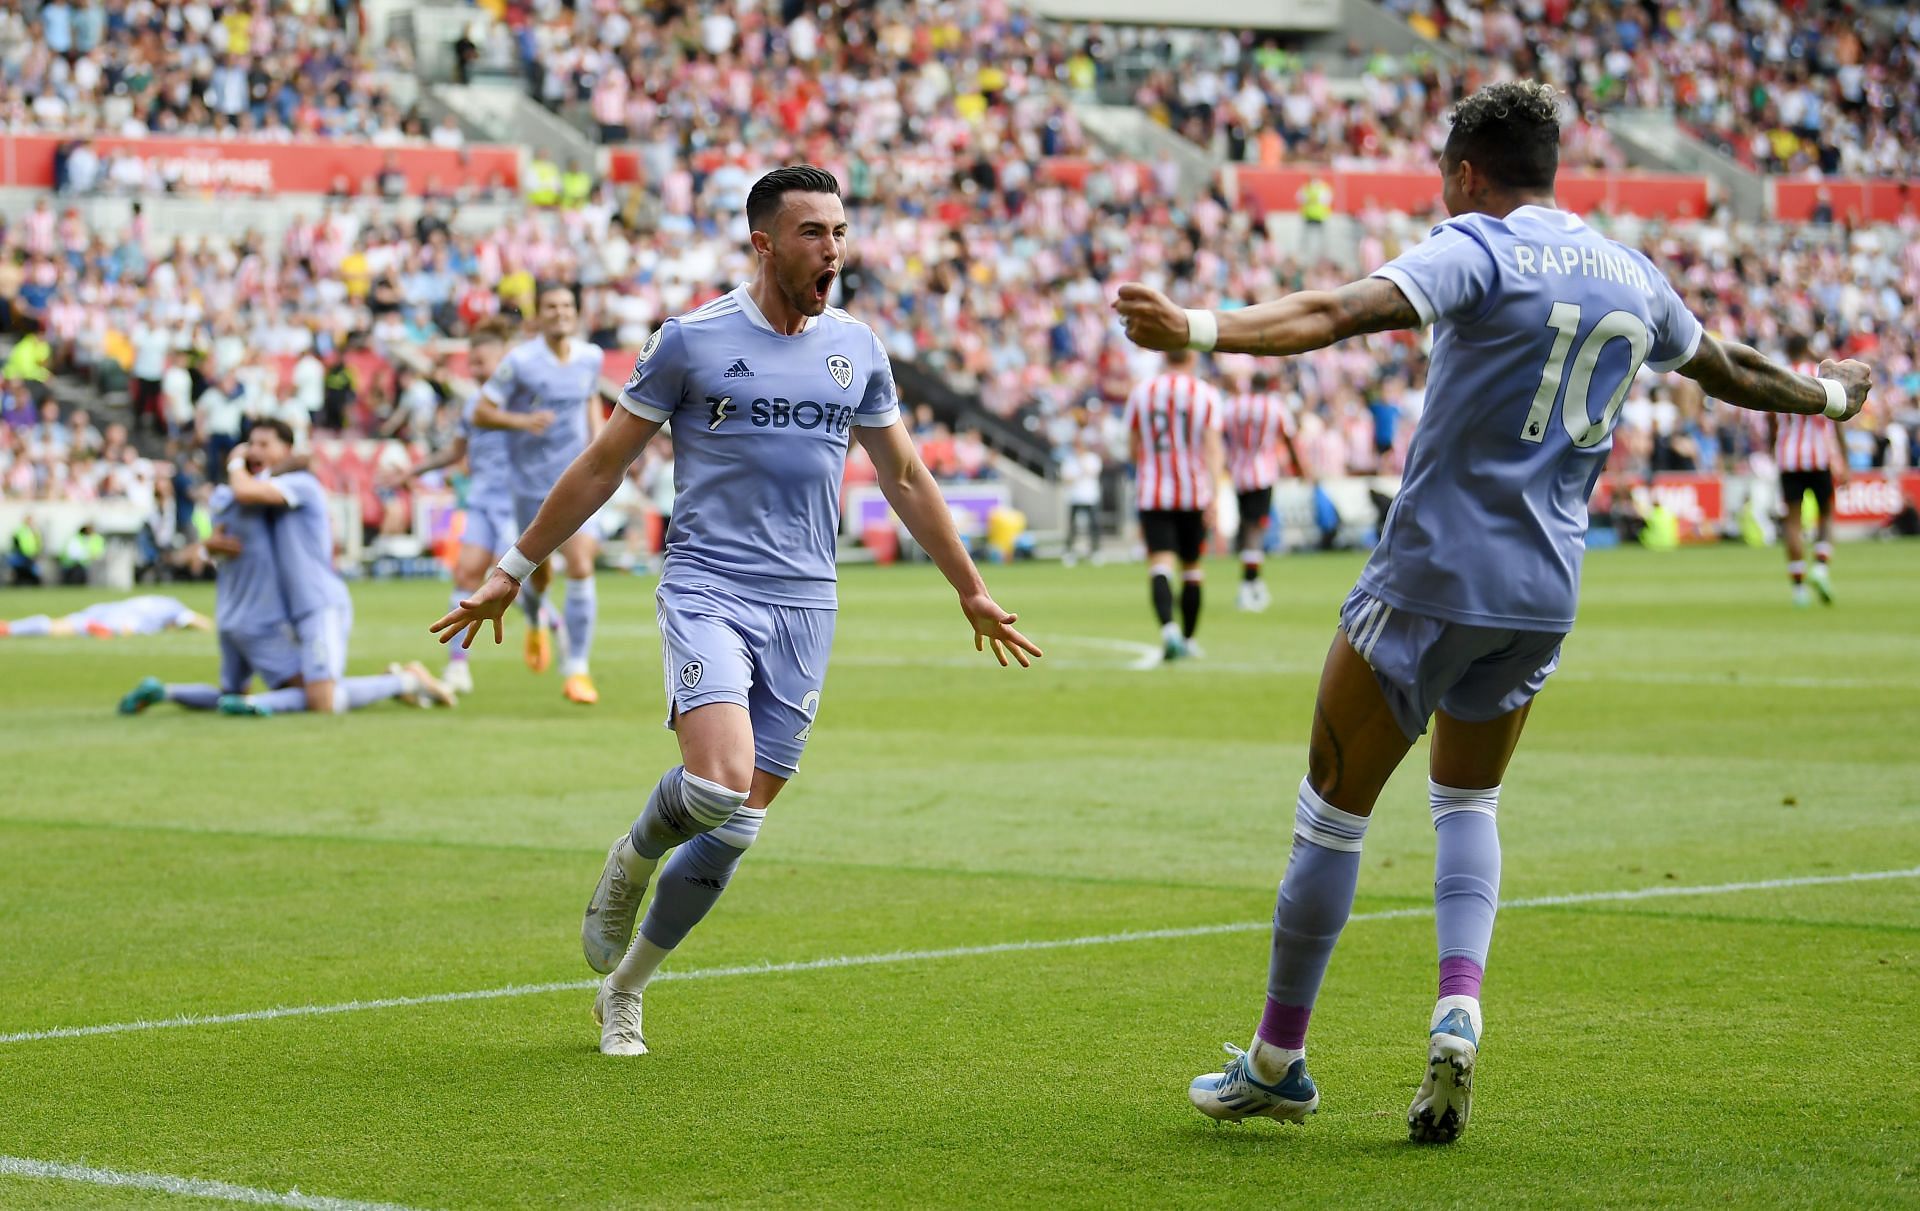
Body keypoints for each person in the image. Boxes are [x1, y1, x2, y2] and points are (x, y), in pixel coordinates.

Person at [1113, 79, 1871, 1144]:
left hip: (1427, 579)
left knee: (1332, 814)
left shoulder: (1478, 245)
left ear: (1467, 172)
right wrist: (1832, 397)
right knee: (1467, 808)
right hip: (1542, 596)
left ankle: (1279, 1058)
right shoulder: (1632, 271)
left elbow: (1340, 310)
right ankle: (1457, 1010)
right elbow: (1734, 367)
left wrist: (1199, 326)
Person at [432, 165, 1041, 1058]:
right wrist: (517, 567)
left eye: (839, 230)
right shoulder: (692, 340)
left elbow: (904, 475)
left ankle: (625, 988)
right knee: (715, 784)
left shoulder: (857, 349)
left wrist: (971, 587)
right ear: (763, 243)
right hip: (708, 585)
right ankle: (631, 859)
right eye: (811, 233)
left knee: (739, 827)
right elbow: (605, 464)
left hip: (807, 601)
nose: (832, 248)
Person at [119, 476, 450, 716]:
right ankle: (404, 681)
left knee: (231, 692)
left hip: (229, 620)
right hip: (263, 623)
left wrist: (206, 545)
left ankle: (165, 691)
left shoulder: (224, 509)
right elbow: (247, 493)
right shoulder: (257, 502)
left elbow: (196, 554)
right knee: (319, 697)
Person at [222, 421, 453, 715]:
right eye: (251, 444)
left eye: (264, 445)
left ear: (287, 450)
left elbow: (243, 491)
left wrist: (235, 463)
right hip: (291, 610)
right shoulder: (273, 488)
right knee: (304, 691)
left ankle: (406, 681)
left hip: (319, 604)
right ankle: (395, 681)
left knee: (323, 703)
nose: (255, 451)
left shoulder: (300, 484)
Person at [382, 317, 552, 693]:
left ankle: (542, 615)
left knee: (507, 576)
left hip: (518, 504)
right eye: (471, 363)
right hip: (481, 501)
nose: (475, 370)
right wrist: (411, 471)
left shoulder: (526, 398)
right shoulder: (474, 405)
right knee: (466, 574)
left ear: (504, 359)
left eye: (482, 362)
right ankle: (459, 667)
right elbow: (454, 452)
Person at [471, 284, 608, 704]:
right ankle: (534, 620)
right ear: (539, 314)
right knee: (538, 572)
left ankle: (577, 670)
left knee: (582, 562)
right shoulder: (520, 361)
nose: (560, 312)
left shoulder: (591, 357)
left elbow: (589, 404)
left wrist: (601, 444)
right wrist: (521, 422)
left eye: (567, 305)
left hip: (578, 478)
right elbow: (482, 410)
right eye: (552, 306)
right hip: (531, 484)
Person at [1124, 346, 1224, 661]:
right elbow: (1212, 448)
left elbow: (1132, 447)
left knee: (1160, 564)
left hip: (1153, 493)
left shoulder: (1142, 392)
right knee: (1192, 568)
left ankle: (1168, 631)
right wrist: (1215, 494)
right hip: (1193, 492)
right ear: (1192, 357)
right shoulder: (1205, 393)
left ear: (1165, 356)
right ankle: (1190, 638)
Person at [1769, 334, 1848, 606]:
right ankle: (1821, 566)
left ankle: (1799, 590)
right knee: (1825, 513)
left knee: (1792, 522)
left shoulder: (1778, 376)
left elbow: (1770, 419)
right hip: (1819, 456)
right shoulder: (1820, 376)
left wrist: (1774, 449)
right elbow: (1837, 417)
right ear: (1807, 348)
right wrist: (1844, 460)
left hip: (1788, 457)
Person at [1225, 371, 1306, 611]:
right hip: (1262, 472)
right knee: (1255, 529)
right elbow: (1289, 437)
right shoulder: (1274, 406)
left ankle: (1255, 583)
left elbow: (1222, 434)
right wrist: (1298, 467)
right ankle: (1249, 586)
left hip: (1239, 472)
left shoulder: (1233, 406)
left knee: (1248, 526)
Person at [4, 593, 208, 639]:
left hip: (107, 608)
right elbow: (192, 619)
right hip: (122, 620)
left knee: (58, 623)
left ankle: (10, 627)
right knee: (126, 629)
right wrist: (213, 627)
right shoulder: (175, 609)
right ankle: (106, 630)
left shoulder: (160, 600)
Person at [1060, 435, 1104, 565]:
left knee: (1094, 525)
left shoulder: (1092, 458)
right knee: (1072, 527)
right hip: (1075, 497)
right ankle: (1069, 552)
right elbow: (1066, 479)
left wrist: (1081, 462)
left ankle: (1095, 551)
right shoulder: (1069, 460)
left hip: (1090, 497)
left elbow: (1092, 472)